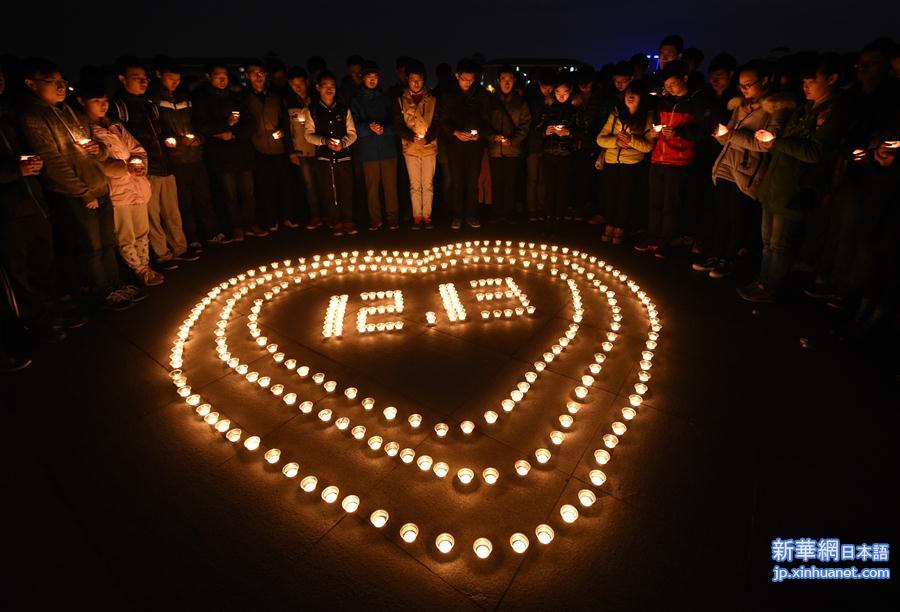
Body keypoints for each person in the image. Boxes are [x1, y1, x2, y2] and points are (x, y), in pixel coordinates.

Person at [18, 58, 135, 311]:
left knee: (107, 241)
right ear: (31, 84)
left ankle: (115, 283)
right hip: (77, 195)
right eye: (52, 82)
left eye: (62, 81)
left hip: (100, 187)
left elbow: (99, 150)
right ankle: (101, 291)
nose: (60, 87)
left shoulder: (71, 112)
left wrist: (99, 151)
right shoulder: (33, 117)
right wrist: (83, 192)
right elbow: (53, 162)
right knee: (90, 247)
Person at [739, 54, 848, 303]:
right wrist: (770, 141)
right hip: (776, 184)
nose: (806, 85)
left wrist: (776, 142)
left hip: (796, 188)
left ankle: (770, 285)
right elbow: (783, 142)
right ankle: (762, 280)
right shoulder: (803, 109)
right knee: (768, 242)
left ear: (832, 79)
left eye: (812, 80)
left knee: (780, 244)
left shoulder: (833, 112)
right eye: (804, 81)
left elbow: (815, 152)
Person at [1, 64, 73, 370]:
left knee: (43, 261)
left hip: (33, 202)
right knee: (18, 271)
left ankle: (50, 316)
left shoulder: (9, 117)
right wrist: (12, 171)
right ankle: (33, 325)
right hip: (7, 211)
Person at [695, 60, 793, 279]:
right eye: (741, 85)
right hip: (726, 164)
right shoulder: (740, 104)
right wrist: (723, 134)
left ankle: (728, 259)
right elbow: (728, 137)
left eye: (749, 84)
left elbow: (764, 144)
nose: (744, 89)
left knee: (736, 216)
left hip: (747, 168)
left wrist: (731, 136)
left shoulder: (776, 108)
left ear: (765, 81)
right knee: (721, 214)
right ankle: (716, 254)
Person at [110, 57, 197, 270]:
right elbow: (120, 139)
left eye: (145, 78)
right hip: (144, 170)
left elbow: (161, 130)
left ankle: (180, 248)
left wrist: (168, 140)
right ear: (122, 79)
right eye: (136, 78)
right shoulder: (119, 106)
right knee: (153, 215)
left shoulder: (149, 104)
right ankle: (162, 254)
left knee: (172, 211)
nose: (143, 82)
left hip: (165, 164)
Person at [81, 85, 163, 290]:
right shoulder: (86, 130)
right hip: (118, 190)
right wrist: (125, 168)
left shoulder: (115, 127)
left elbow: (137, 148)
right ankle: (138, 270)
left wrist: (139, 163)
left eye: (105, 101)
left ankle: (146, 264)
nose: (103, 105)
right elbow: (96, 163)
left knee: (142, 230)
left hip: (137, 185)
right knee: (126, 234)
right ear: (82, 102)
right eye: (96, 101)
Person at [638, 60, 710, 258]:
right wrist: (653, 133)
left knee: (671, 204)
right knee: (654, 201)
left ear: (684, 78)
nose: (669, 89)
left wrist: (679, 131)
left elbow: (704, 132)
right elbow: (656, 124)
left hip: (679, 161)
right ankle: (652, 237)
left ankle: (664, 242)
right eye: (666, 86)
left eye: (673, 84)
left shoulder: (695, 102)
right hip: (658, 157)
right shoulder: (664, 101)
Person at [154, 58, 229, 249]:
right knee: (184, 201)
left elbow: (198, 123)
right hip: (176, 159)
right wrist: (177, 141)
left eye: (177, 79)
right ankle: (192, 238)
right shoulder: (155, 101)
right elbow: (158, 131)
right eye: (171, 79)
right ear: (159, 76)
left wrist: (199, 138)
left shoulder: (185, 98)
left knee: (204, 196)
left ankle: (212, 233)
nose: (175, 83)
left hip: (195, 155)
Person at [192, 61, 267, 241]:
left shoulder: (236, 99)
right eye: (218, 76)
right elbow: (202, 126)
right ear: (209, 77)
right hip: (221, 157)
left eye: (225, 76)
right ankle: (236, 227)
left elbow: (251, 124)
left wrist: (232, 134)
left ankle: (251, 223)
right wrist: (224, 126)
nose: (222, 79)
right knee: (229, 194)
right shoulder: (203, 101)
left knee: (248, 192)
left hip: (242, 152)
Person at [596, 80, 654, 244]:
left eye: (634, 94)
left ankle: (620, 228)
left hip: (631, 163)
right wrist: (615, 141)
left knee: (625, 197)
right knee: (611, 195)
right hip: (612, 160)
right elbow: (600, 139)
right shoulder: (616, 113)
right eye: (629, 93)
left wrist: (631, 140)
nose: (630, 97)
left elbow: (648, 146)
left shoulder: (646, 117)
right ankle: (609, 225)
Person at [243, 59, 298, 232]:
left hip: (279, 148)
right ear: (247, 76)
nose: (258, 77)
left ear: (266, 75)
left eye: (261, 73)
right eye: (254, 73)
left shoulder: (275, 96)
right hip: (258, 148)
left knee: (285, 184)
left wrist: (283, 136)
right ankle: (271, 219)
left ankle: (288, 216)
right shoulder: (244, 98)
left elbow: (284, 122)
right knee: (265, 186)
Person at [303, 70, 358, 236]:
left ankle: (348, 220)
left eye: (332, 86)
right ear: (318, 87)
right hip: (324, 157)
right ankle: (336, 221)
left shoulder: (343, 109)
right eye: (325, 86)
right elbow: (308, 134)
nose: (329, 89)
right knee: (328, 189)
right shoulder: (312, 110)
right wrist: (324, 141)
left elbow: (352, 133)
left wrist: (343, 143)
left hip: (343, 156)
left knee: (346, 188)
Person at [351, 61, 400, 231]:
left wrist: (384, 129)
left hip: (387, 147)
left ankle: (392, 217)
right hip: (368, 149)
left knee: (390, 185)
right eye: (369, 77)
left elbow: (397, 123)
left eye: (375, 77)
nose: (372, 80)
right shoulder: (356, 101)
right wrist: (368, 128)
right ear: (362, 78)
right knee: (372, 187)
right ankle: (375, 218)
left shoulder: (386, 98)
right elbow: (353, 126)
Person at [440, 58, 488, 229]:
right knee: (457, 181)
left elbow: (486, 119)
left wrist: (479, 134)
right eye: (464, 79)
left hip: (475, 146)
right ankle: (457, 216)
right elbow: (443, 120)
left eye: (471, 79)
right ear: (457, 76)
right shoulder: (448, 95)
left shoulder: (480, 94)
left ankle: (472, 215)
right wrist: (455, 132)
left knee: (472, 182)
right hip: (455, 146)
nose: (468, 82)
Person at [538, 77, 585, 236]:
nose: (561, 96)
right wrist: (545, 131)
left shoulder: (576, 111)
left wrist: (569, 132)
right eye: (558, 92)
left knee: (562, 189)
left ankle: (558, 222)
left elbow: (583, 133)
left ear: (570, 92)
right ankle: (548, 220)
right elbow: (537, 128)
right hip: (549, 154)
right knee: (550, 189)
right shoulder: (547, 109)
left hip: (566, 155)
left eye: (565, 92)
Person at [395, 60, 438, 230]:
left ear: (424, 80)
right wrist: (411, 137)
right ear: (407, 80)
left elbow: (437, 122)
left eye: (419, 80)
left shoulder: (433, 99)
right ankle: (417, 216)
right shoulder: (400, 100)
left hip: (428, 147)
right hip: (411, 147)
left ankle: (427, 216)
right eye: (413, 80)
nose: (416, 83)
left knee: (427, 183)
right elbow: (397, 124)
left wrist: (427, 138)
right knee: (415, 184)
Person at [485, 65, 530, 224]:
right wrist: (492, 136)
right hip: (495, 149)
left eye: (509, 79)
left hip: (512, 150)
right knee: (496, 182)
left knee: (510, 182)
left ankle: (509, 213)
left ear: (514, 81)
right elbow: (484, 123)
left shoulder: (520, 102)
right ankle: (497, 213)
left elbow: (525, 125)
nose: (506, 83)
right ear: (498, 81)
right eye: (503, 79)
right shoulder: (490, 101)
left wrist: (513, 140)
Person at [285, 67, 321, 229]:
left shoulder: (316, 99)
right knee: (309, 186)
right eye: (294, 84)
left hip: (319, 148)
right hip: (301, 150)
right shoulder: (287, 102)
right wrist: (291, 152)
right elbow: (285, 130)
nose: (297, 87)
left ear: (307, 82)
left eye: (300, 83)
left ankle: (329, 215)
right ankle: (315, 215)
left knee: (323, 184)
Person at [524, 69, 554, 221]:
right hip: (534, 145)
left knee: (543, 179)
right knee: (533, 178)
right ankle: (532, 208)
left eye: (550, 88)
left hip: (548, 145)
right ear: (539, 84)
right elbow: (532, 123)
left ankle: (541, 207)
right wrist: (545, 106)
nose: (548, 91)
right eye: (545, 88)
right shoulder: (532, 98)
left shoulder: (553, 98)